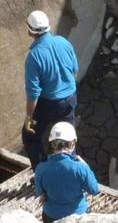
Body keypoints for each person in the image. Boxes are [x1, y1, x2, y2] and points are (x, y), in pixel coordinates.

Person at [22, 10, 79, 171]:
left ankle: (42, 174)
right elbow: (75, 69)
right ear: (48, 27)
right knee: (68, 136)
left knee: (30, 136)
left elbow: (33, 93)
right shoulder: (63, 42)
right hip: (70, 97)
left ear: (29, 31)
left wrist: (29, 117)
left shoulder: (34, 57)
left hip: (49, 103)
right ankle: (71, 170)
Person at [34, 122, 99, 223]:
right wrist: (86, 167)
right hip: (78, 215)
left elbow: (39, 192)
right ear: (72, 144)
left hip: (51, 216)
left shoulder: (40, 169)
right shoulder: (80, 168)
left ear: (52, 144)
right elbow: (94, 190)